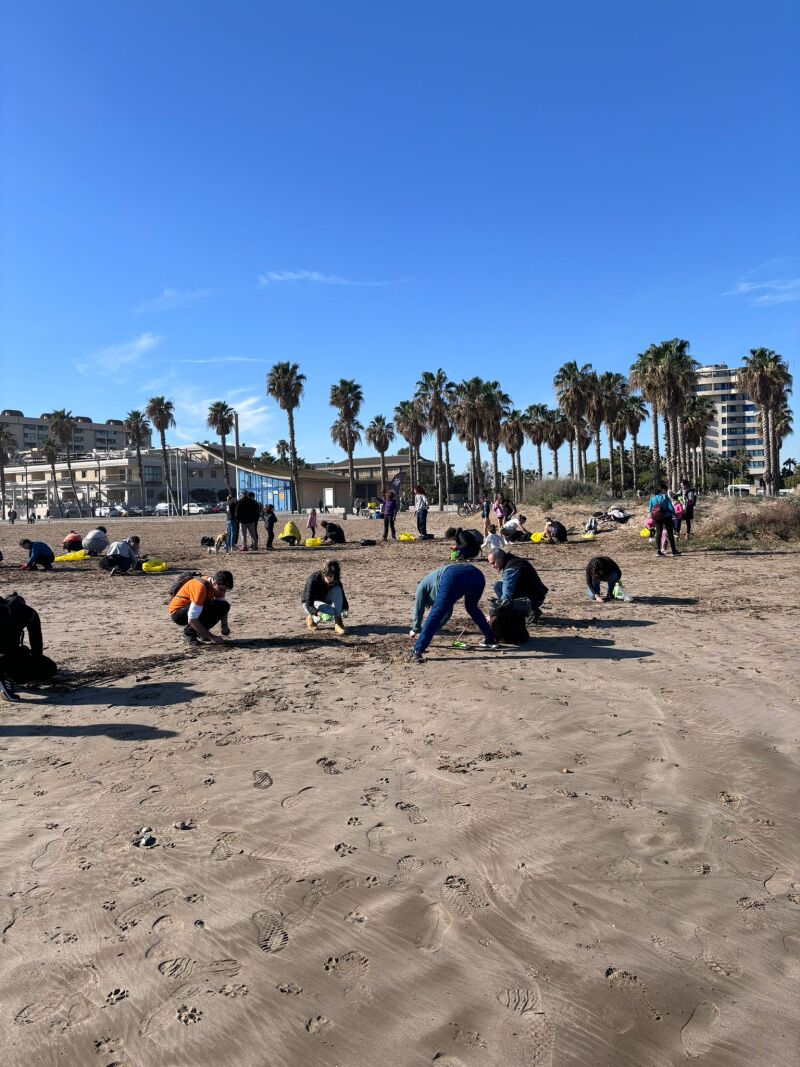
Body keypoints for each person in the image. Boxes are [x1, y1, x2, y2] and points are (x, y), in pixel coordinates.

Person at [408, 554, 496, 663]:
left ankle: (418, 650)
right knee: (472, 607)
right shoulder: (433, 583)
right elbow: (447, 612)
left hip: (452, 576)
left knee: (436, 613)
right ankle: (490, 638)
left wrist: (415, 629)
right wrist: (433, 629)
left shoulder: (421, 586)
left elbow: (418, 608)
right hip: (477, 575)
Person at [0, 592, 57, 701]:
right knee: (49, 668)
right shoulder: (30, 613)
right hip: (7, 654)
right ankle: (5, 676)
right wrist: (25, 653)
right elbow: (37, 652)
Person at [169, 570, 233, 646]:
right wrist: (212, 637)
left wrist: (224, 626)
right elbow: (192, 619)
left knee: (224, 605)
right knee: (206, 606)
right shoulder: (200, 588)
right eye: (222, 589)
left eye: (226, 590)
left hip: (194, 608)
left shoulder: (217, 588)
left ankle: (200, 633)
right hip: (178, 612)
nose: (223, 592)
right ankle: (188, 634)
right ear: (215, 583)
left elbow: (223, 606)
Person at [487, 548, 548, 622]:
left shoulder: (511, 568)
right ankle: (531, 610)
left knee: (499, 588)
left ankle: (525, 611)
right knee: (499, 586)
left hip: (534, 599)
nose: (493, 566)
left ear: (500, 558)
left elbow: (506, 595)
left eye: (493, 563)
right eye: (491, 564)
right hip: (537, 594)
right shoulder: (515, 561)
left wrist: (494, 615)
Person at [303, 560, 349, 635]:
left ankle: (338, 622)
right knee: (329, 613)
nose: (332, 579)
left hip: (324, 600)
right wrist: (320, 614)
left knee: (337, 589)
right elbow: (308, 604)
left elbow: (343, 598)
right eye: (329, 576)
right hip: (311, 603)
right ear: (324, 573)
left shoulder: (336, 580)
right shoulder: (313, 580)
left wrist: (345, 609)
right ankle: (311, 618)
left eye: (334, 576)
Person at [410, 563, 453, 638]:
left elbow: (418, 609)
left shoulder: (421, 588)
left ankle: (429, 628)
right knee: (446, 608)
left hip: (445, 578)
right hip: (450, 574)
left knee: (444, 608)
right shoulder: (426, 585)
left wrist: (415, 629)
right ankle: (432, 627)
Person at [649, 483, 680, 557]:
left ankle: (658, 551)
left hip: (657, 517)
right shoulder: (665, 497)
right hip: (667, 516)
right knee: (670, 533)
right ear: (662, 490)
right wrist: (674, 513)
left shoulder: (652, 498)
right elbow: (671, 508)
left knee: (658, 533)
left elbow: (650, 509)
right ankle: (674, 551)